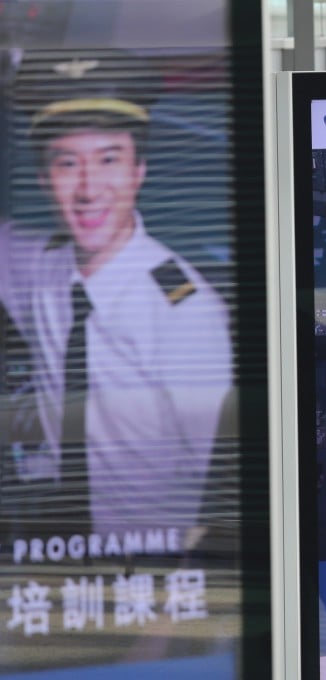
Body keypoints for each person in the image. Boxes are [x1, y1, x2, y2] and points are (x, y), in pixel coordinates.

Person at [0, 53, 232, 540]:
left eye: (109, 160)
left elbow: (219, 474)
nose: (88, 189)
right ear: (43, 179)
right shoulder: (41, 268)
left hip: (156, 561)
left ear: (138, 171)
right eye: (67, 164)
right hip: (60, 549)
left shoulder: (183, 308)